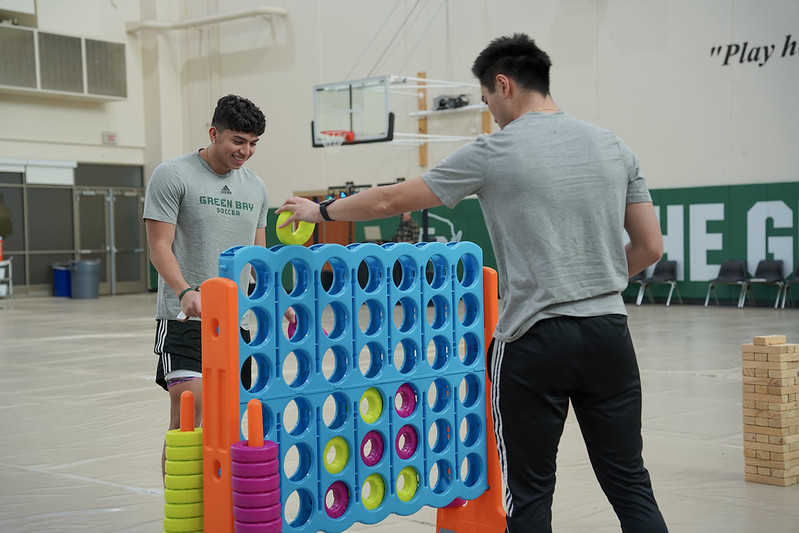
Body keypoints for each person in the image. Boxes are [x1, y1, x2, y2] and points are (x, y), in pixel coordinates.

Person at [279, 34, 667, 532]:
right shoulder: (615, 147)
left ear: (502, 84)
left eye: (487, 102)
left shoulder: (494, 151)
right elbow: (650, 248)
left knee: (529, 495)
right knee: (630, 483)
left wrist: (322, 209)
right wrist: (593, 279)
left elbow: (388, 202)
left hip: (536, 339)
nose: (491, 115)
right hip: (610, 333)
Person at [143, 94, 293, 482]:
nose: (246, 151)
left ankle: (216, 508)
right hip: (184, 319)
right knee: (190, 414)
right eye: (238, 141)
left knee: (225, 420)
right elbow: (158, 245)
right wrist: (184, 291)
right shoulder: (172, 174)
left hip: (235, 323)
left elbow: (258, 255)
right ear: (214, 133)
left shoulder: (256, 188)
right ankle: (181, 513)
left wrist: (279, 298)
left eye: (253, 143)